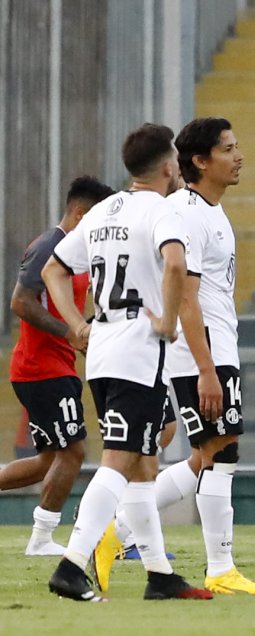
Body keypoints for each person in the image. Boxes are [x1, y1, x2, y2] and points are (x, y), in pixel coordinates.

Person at [97, 117, 255, 595]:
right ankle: (220, 567)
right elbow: (188, 298)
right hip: (201, 350)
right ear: (200, 160)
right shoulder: (185, 213)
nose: (239, 156)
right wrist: (206, 369)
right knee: (221, 452)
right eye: (228, 149)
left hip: (216, 345)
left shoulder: (211, 210)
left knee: (206, 454)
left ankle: (116, 531)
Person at [44, 123, 211, 602]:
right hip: (139, 348)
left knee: (142, 466)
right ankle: (72, 565)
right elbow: (175, 264)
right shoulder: (163, 211)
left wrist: (77, 324)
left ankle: (159, 575)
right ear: (168, 166)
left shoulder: (102, 211)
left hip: (103, 345)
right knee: (120, 461)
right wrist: (168, 321)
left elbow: (54, 269)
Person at [0, 176, 113, 556]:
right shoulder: (49, 245)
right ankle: (42, 538)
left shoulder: (74, 253)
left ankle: (42, 537)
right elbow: (20, 302)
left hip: (55, 365)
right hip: (41, 368)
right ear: (80, 213)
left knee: (46, 460)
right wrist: (70, 333)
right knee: (73, 452)